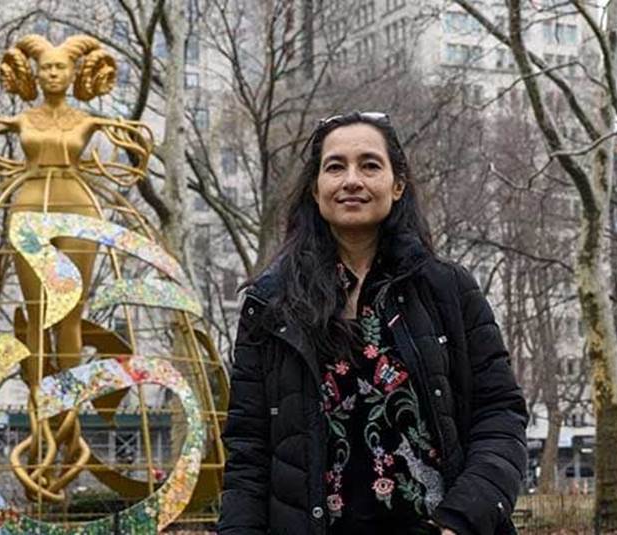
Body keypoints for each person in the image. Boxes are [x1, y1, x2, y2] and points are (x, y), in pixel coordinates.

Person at [218, 112, 528, 535]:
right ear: (315, 188)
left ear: (397, 184)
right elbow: (248, 454)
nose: (351, 180)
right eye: (335, 167)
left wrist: (462, 520)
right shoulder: (271, 306)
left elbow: (500, 415)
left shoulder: (447, 290)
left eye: (369, 165)